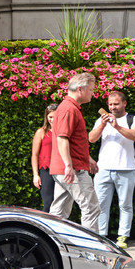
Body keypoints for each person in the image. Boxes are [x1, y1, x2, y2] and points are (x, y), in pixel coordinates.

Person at [89, 91, 135, 249]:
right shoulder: (101, 119)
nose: (113, 107)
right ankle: (101, 236)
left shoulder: (133, 119)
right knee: (100, 205)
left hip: (126, 168)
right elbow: (91, 139)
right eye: (110, 104)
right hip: (103, 169)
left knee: (125, 205)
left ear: (124, 104)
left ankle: (123, 237)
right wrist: (102, 125)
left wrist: (117, 126)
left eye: (116, 104)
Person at [49, 72, 101, 232]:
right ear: (80, 89)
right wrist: (68, 166)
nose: (93, 93)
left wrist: (89, 159)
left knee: (58, 214)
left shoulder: (68, 107)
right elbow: (62, 139)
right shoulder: (69, 109)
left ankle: (49, 246)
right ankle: (92, 252)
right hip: (73, 170)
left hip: (65, 168)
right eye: (91, 90)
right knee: (91, 209)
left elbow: (72, 142)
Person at [31, 104, 58, 212]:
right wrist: (36, 175)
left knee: (60, 203)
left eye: (55, 117)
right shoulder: (41, 132)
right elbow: (35, 154)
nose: (52, 120)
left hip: (60, 170)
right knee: (48, 202)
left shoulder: (63, 131)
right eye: (50, 117)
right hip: (46, 170)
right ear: (46, 117)